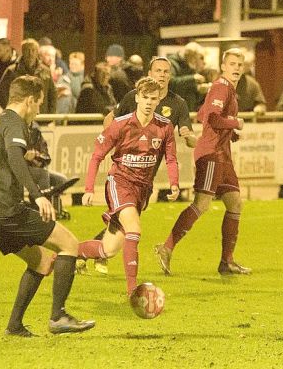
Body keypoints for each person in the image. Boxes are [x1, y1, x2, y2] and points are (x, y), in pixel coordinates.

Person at [0, 75, 95, 336]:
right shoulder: (15, 123)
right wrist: (37, 194)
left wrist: (25, 160)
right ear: (29, 101)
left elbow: (5, 158)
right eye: (38, 103)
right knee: (69, 244)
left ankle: (14, 326)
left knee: (40, 262)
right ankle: (59, 316)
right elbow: (15, 157)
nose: (39, 109)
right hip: (4, 207)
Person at [80, 57, 197, 275]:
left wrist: (192, 138)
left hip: (146, 178)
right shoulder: (134, 98)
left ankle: (83, 254)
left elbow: (185, 132)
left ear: (170, 76)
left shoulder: (178, 103)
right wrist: (109, 140)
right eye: (158, 70)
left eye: (166, 71)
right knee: (129, 224)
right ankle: (128, 283)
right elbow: (112, 119)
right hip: (124, 174)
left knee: (122, 228)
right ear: (150, 73)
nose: (162, 75)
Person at [154, 48, 251, 276]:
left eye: (240, 64)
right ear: (224, 66)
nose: (237, 68)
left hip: (222, 155)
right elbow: (213, 118)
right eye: (233, 64)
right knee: (202, 204)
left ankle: (226, 262)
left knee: (235, 203)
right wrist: (234, 123)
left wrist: (229, 133)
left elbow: (202, 115)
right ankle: (166, 247)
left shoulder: (227, 90)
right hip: (211, 155)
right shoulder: (221, 87)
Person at [0, 38, 56, 113]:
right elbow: (3, 94)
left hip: (41, 117)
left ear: (37, 52)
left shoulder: (45, 71)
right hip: (19, 117)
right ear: (22, 51)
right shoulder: (11, 71)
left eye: (33, 50)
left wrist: (50, 115)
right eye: (27, 50)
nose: (30, 53)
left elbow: (52, 94)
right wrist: (11, 112)